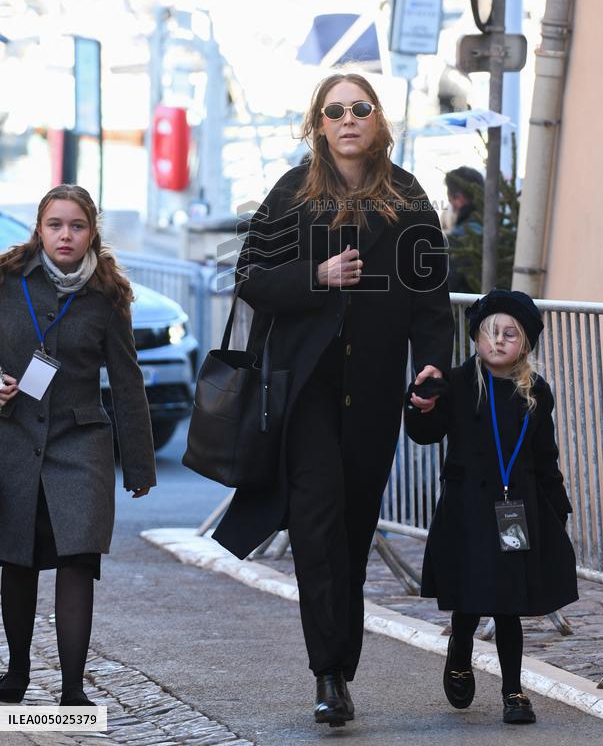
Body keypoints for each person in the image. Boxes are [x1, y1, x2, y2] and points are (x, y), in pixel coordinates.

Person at [212, 71, 454, 727]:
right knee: (316, 528)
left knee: (352, 530)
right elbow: (249, 277)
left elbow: (432, 303)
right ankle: (327, 673)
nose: (348, 120)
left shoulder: (407, 199)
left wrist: (431, 367)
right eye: (335, 110)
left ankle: (340, 665)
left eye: (360, 108)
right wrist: (315, 276)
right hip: (305, 391)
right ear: (318, 124)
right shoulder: (292, 194)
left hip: (372, 392)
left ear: (378, 121)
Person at [0, 185, 156, 707]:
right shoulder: (5, 280)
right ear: (39, 229)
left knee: (78, 561)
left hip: (81, 443)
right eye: (55, 225)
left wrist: (139, 465)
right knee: (17, 560)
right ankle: (17, 672)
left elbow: (128, 381)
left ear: (92, 232)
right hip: (13, 439)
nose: (65, 235)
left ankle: (72, 692)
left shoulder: (108, 293)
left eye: (77, 226)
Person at [405, 289, 578, 725]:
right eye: (490, 332)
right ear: (476, 338)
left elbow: (545, 458)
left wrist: (557, 509)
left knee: (507, 603)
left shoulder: (535, 391)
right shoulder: (458, 383)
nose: (498, 341)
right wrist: (420, 404)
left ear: (525, 344)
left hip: (515, 511)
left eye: (509, 334)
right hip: (467, 510)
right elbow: (425, 433)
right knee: (469, 597)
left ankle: (513, 691)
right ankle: (460, 651)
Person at [443, 166, 484, 293]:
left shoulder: (455, 240)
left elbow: (447, 288)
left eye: (450, 200)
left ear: (459, 199)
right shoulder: (502, 231)